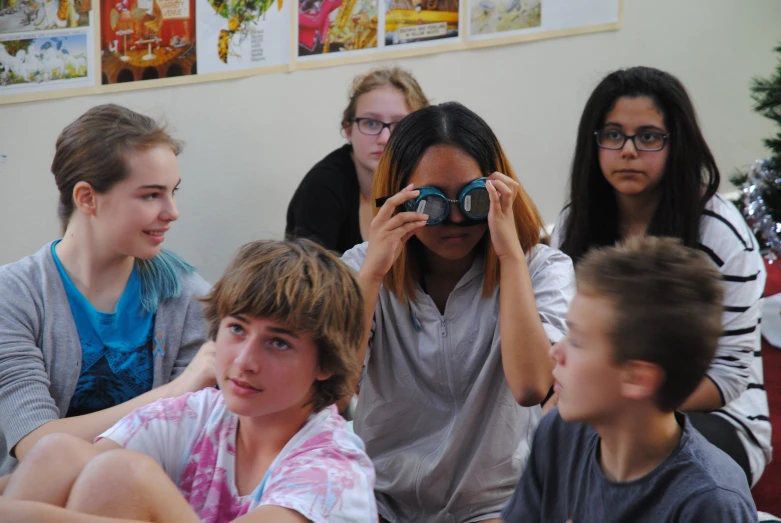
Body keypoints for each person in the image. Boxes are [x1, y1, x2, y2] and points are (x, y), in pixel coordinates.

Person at [0, 239, 377, 523]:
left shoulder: (332, 469)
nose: (244, 362)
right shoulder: (199, 414)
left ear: (325, 362)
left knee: (125, 476)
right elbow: (60, 472)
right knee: (59, 452)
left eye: (278, 343)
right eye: (236, 329)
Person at [341, 101, 575, 521]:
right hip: (382, 499)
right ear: (396, 196)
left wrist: (511, 259)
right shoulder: (360, 269)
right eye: (430, 203)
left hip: (497, 501)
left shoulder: (542, 268)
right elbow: (338, 390)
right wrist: (374, 275)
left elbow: (531, 387)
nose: (453, 218)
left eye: (472, 198)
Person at [550, 66, 771, 486]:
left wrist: (622, 404)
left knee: (644, 460)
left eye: (649, 137)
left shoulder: (720, 233)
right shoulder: (573, 226)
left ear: (677, 144)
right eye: (613, 134)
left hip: (719, 417)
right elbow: (564, 339)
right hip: (602, 404)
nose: (628, 150)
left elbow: (727, 376)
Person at [0, 104, 214, 477]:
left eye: (172, 192)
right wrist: (176, 390)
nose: (172, 211)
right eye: (151, 195)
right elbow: (37, 444)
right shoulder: (14, 297)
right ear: (87, 198)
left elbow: (188, 444)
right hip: (39, 503)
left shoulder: (188, 298)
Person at [502, 237, 757, 522]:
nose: (555, 351)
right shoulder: (558, 434)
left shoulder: (709, 503)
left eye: (577, 341)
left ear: (638, 378)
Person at [286, 66, 429, 254]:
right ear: (348, 130)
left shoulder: (430, 177)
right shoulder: (322, 186)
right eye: (370, 123)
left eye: (400, 124)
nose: (384, 138)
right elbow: (310, 280)